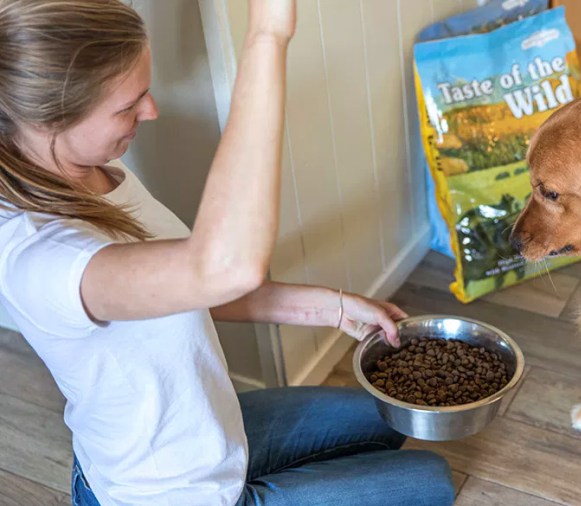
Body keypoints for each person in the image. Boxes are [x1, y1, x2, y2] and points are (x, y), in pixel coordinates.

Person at [0, 1, 456, 505]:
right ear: (51, 120)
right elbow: (220, 268)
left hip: (212, 431)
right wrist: (268, 35)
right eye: (128, 105)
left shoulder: (90, 170)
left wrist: (335, 307)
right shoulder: (39, 257)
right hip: (170, 493)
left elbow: (192, 289)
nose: (150, 111)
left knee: (386, 419)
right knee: (428, 482)